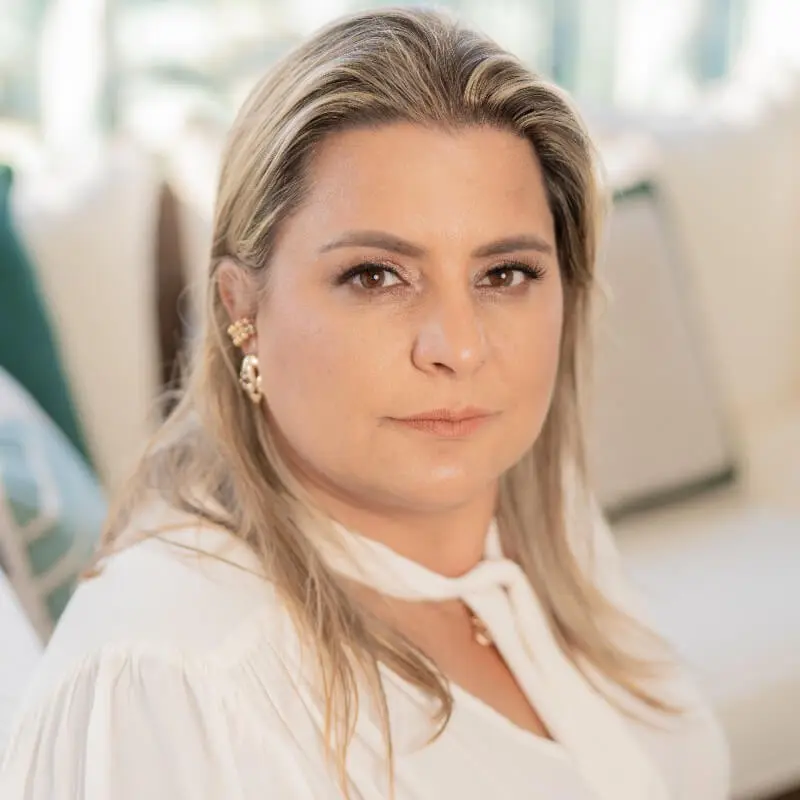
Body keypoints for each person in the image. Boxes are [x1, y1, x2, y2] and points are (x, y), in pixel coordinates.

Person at [0, 8, 730, 799]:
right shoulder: (170, 681)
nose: (458, 347)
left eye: (505, 273)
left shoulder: (537, 509)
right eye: (377, 275)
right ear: (242, 308)